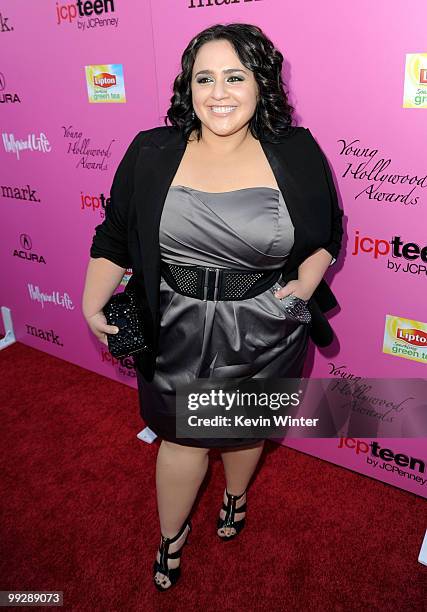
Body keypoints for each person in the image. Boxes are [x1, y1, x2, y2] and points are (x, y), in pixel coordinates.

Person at [82, 23, 344, 592]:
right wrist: (91, 299)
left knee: (244, 431)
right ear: (188, 85)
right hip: (174, 323)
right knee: (179, 438)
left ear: (260, 84)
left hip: (264, 324)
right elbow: (116, 237)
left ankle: (235, 495)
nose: (218, 92)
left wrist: (304, 284)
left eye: (235, 76)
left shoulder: (296, 151)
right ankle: (171, 535)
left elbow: (327, 234)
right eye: (205, 77)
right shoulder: (151, 150)